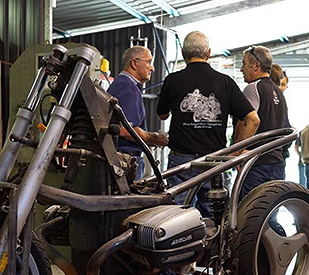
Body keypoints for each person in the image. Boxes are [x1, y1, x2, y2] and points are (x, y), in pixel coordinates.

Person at [157, 31, 259, 216]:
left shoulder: (173, 80)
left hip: (182, 162)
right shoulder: (225, 82)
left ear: (183, 54)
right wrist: (234, 152)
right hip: (214, 161)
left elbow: (162, 115)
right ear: (208, 53)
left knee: (174, 219)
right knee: (215, 219)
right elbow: (253, 120)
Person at [107, 45, 168, 179]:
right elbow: (125, 130)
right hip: (125, 161)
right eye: (149, 62)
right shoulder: (128, 87)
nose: (152, 68)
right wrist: (153, 137)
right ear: (134, 63)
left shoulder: (121, 84)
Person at [239, 45, 290, 200]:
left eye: (244, 64)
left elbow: (250, 121)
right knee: (269, 215)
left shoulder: (252, 88)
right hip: (277, 164)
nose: (241, 69)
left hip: (257, 165)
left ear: (256, 66)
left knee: (247, 215)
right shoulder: (278, 92)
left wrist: (237, 151)